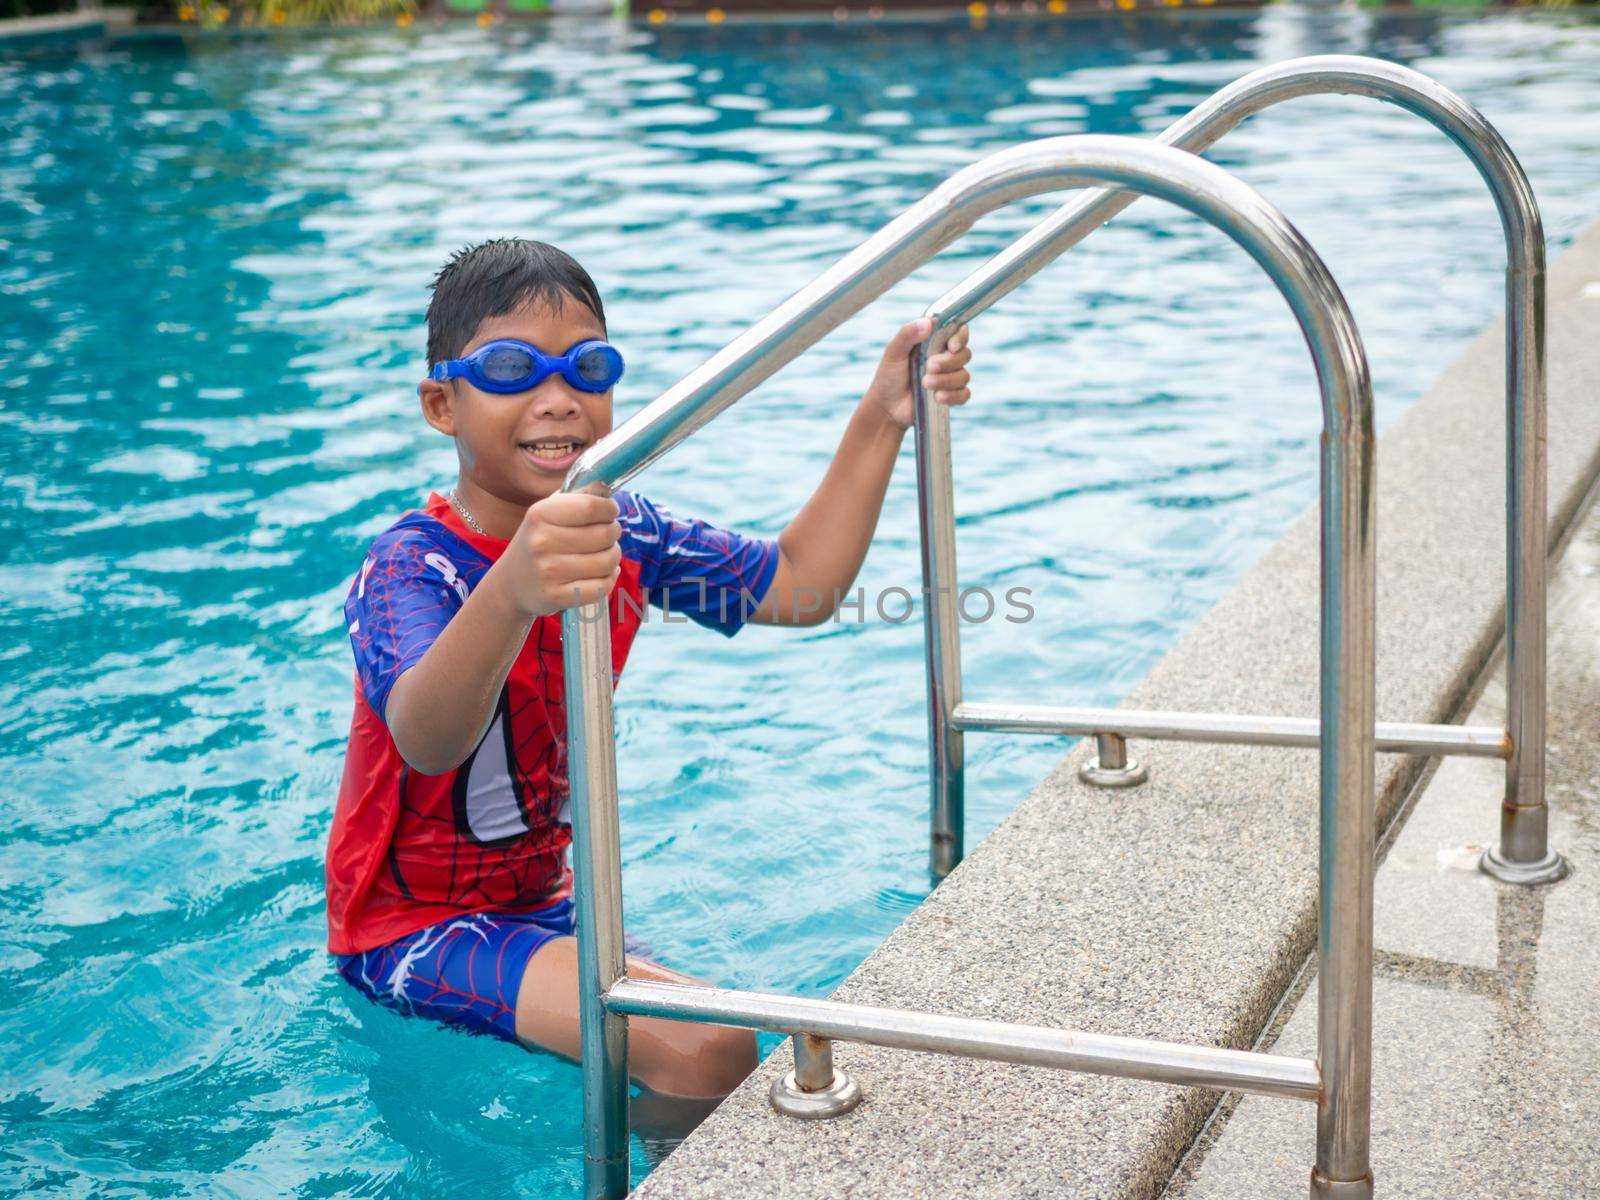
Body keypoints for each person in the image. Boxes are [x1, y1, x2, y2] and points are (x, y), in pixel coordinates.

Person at [325, 237, 972, 1113]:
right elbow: (427, 738)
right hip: (406, 927)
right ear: (442, 403)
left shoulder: (620, 530)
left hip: (543, 895)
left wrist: (882, 413)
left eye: (588, 367)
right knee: (705, 1049)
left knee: (726, 1034)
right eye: (511, 369)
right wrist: (513, 586)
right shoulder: (413, 565)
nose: (558, 399)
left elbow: (796, 583)